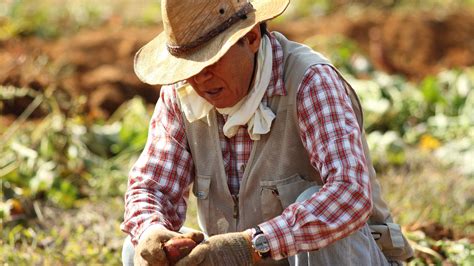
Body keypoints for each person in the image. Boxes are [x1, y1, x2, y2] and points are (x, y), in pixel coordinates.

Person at [121, 0, 414, 265]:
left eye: (210, 59)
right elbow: (152, 187)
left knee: (323, 213)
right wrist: (151, 229)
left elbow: (350, 194)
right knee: (139, 251)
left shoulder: (310, 82)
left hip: (347, 258)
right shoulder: (182, 96)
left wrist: (250, 246)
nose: (200, 77)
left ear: (250, 38)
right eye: (189, 66)